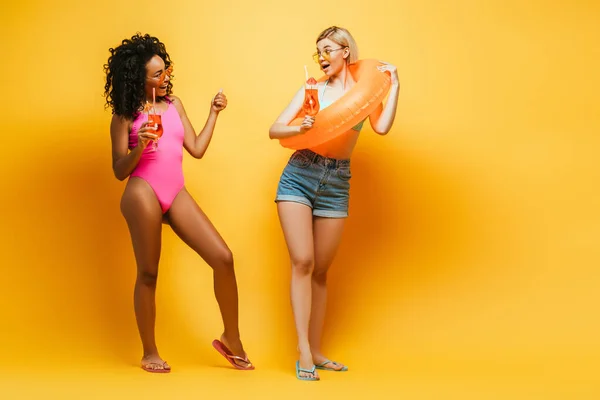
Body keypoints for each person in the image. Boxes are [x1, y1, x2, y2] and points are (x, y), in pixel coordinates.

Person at [103, 33, 253, 373]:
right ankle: (149, 352)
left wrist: (214, 113)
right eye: (157, 74)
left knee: (223, 257)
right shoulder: (124, 116)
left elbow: (196, 149)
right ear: (137, 79)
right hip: (142, 190)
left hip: (175, 190)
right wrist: (139, 146)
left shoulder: (174, 105)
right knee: (149, 272)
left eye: (165, 70)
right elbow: (118, 170)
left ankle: (232, 338)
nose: (165, 77)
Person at [268, 26, 400, 381]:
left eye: (327, 50)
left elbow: (382, 127)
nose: (322, 57)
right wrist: (299, 128)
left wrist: (395, 86)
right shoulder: (312, 89)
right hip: (300, 175)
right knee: (303, 261)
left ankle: (318, 348)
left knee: (322, 271)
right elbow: (275, 129)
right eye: (318, 52)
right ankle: (303, 352)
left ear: (345, 51)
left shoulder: (364, 92)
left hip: (337, 181)